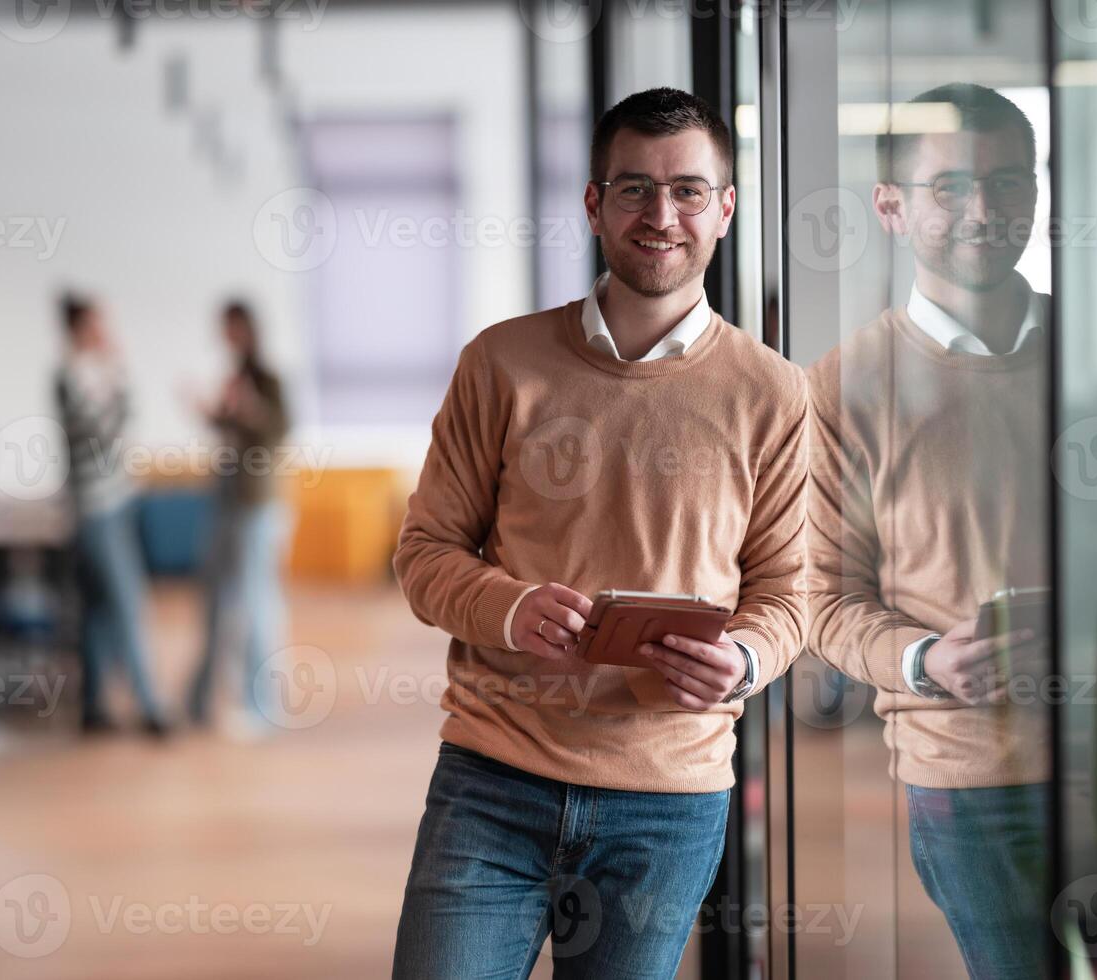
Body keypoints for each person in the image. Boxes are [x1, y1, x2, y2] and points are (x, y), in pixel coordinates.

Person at [389, 88, 809, 978]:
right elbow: (424, 553)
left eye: (690, 191)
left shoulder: (773, 393)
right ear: (593, 203)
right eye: (634, 190)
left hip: (667, 802)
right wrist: (507, 609)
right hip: (492, 779)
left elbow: (790, 587)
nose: (662, 216)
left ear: (725, 210)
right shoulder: (501, 363)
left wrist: (744, 658)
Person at [804, 83, 1051, 979]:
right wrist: (923, 662)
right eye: (949, 188)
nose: (984, 212)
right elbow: (823, 600)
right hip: (973, 777)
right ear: (892, 208)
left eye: (1011, 183)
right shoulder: (844, 389)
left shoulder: (1088, 350)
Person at [54, 292, 169, 736]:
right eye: (98, 323)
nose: (107, 332)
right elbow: (103, 436)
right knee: (128, 602)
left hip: (119, 499)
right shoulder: (71, 377)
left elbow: (125, 422)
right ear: (81, 328)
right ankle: (150, 706)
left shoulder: (96, 374)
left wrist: (116, 382)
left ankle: (94, 706)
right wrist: (117, 381)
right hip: (96, 507)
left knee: (101, 609)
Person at [186, 300, 292, 734]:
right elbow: (230, 430)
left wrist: (249, 409)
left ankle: (261, 706)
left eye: (230, 327)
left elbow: (278, 431)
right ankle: (198, 700)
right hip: (225, 498)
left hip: (256, 504)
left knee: (256, 602)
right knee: (214, 599)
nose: (225, 335)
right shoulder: (234, 375)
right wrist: (209, 411)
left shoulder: (268, 380)